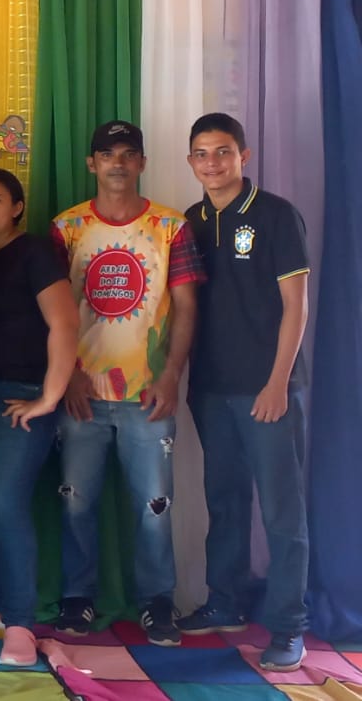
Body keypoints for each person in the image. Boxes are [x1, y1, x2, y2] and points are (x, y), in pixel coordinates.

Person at [50, 119, 203, 647]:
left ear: (141, 163)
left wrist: (171, 374)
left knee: (154, 505)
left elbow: (186, 306)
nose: (117, 163)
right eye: (107, 154)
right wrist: (68, 375)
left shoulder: (171, 227)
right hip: (81, 395)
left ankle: (157, 602)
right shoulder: (66, 228)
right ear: (91, 164)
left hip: (148, 396)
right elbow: (52, 311)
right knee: (75, 502)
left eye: (127, 153)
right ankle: (77, 597)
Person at [176, 114, 310, 671]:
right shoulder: (191, 222)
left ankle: (289, 626)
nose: (212, 163)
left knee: (281, 511)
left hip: (266, 390)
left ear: (243, 156)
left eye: (223, 152)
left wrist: (277, 383)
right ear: (191, 161)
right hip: (211, 389)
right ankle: (224, 603)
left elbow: (296, 306)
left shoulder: (276, 215)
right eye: (202, 153)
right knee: (224, 501)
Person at [0, 169, 79, 667]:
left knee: (5, 503)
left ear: (17, 208)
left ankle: (22, 625)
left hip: (21, 397)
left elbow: (64, 322)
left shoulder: (34, 253)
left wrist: (49, 397)